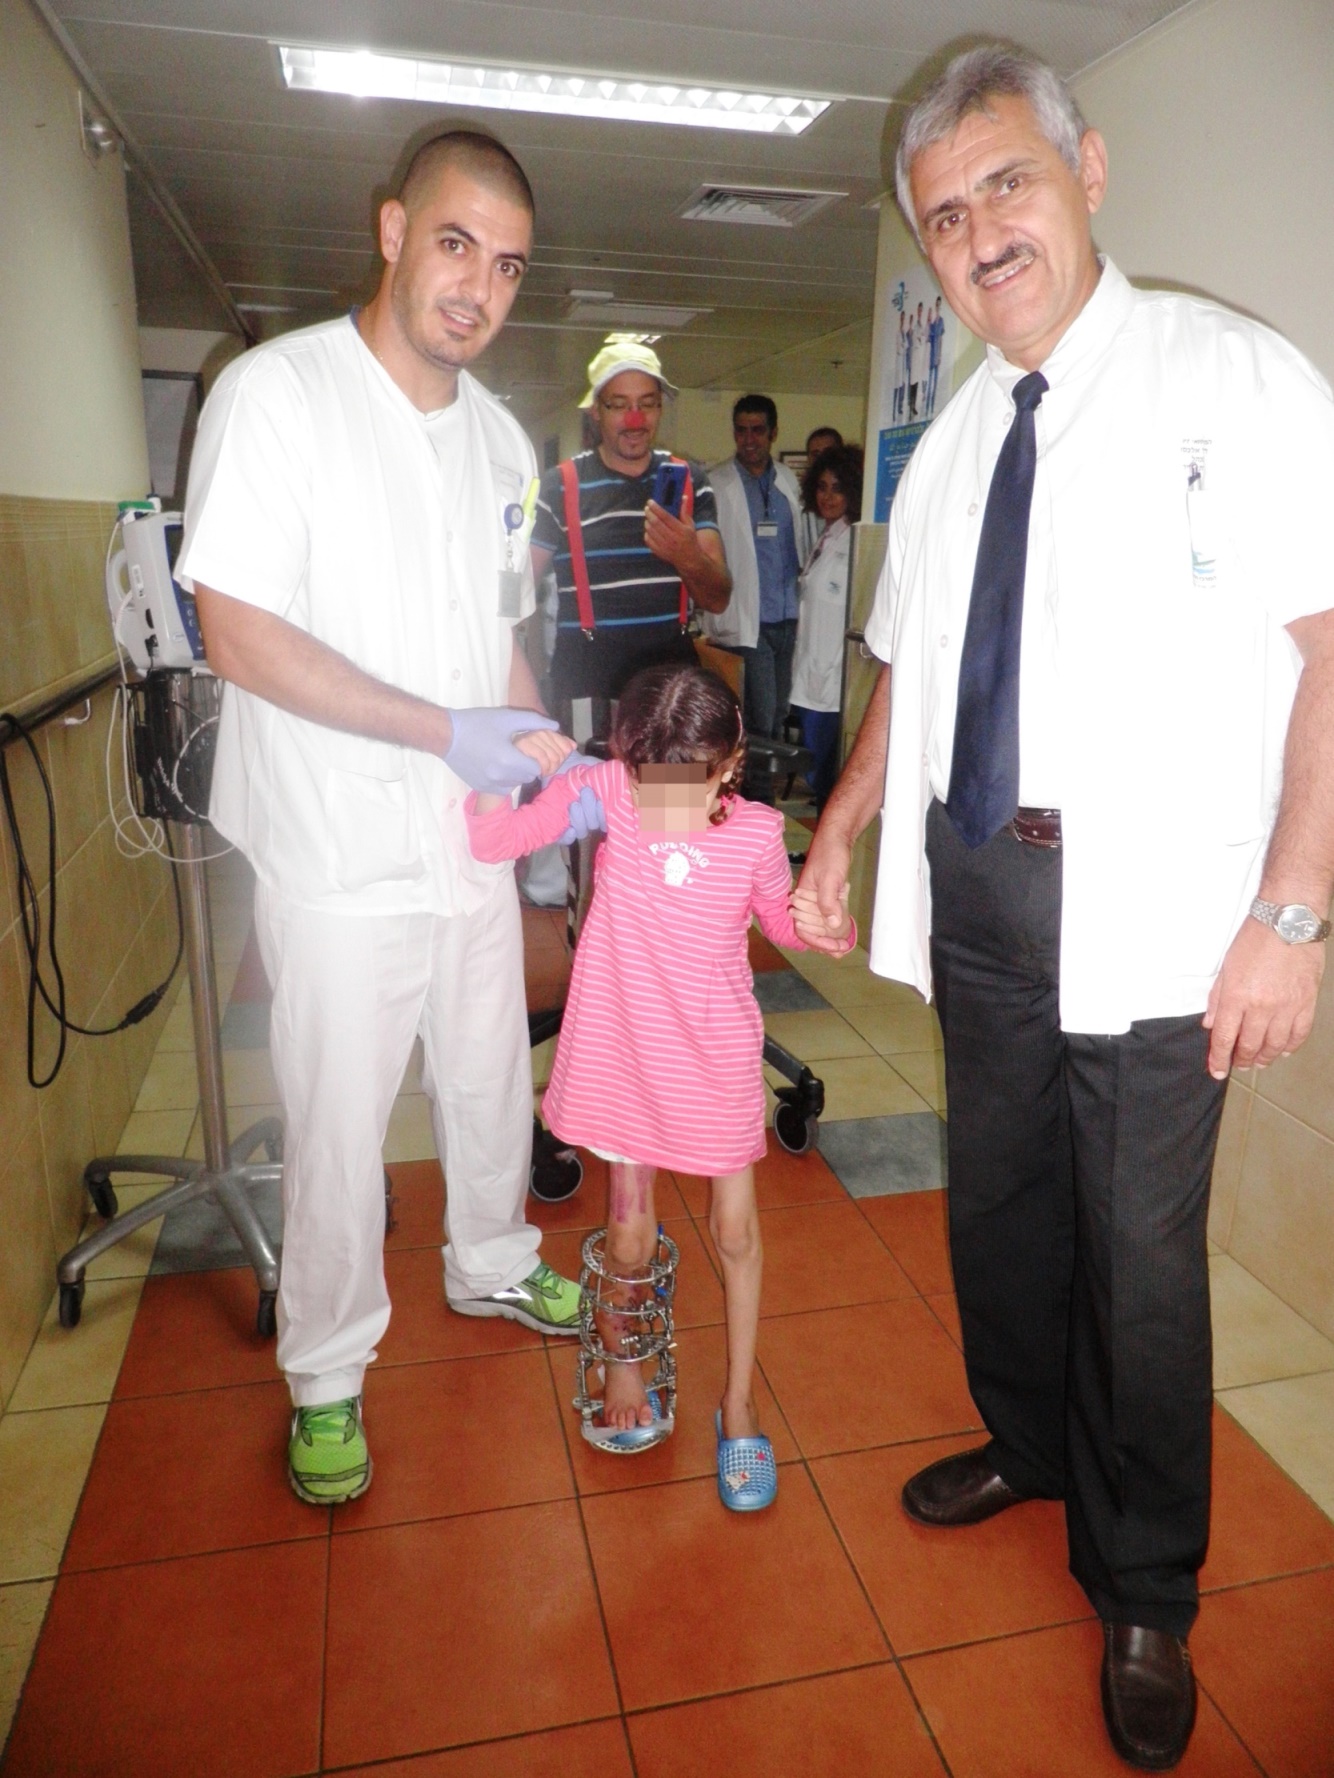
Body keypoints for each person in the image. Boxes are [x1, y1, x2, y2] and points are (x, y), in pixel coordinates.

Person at [798, 43, 1334, 1773]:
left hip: (1165, 917)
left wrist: (1293, 906)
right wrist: (840, 822)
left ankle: (1142, 1585)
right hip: (976, 889)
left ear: (1084, 168)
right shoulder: (953, 440)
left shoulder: (1233, 378)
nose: (974, 235)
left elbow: (1326, 650)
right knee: (999, 1211)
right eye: (940, 216)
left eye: (1000, 185)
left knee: (1139, 1262)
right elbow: (904, 664)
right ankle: (1026, 1441)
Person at [178, 130, 585, 1509]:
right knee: (341, 1123)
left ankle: (489, 1257)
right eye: (459, 243)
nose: (480, 286)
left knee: (487, 1074)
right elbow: (232, 627)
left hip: (465, 841)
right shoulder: (276, 394)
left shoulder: (501, 440)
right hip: (336, 848)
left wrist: (535, 746)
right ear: (395, 227)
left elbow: (502, 632)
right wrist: (441, 732)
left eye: (510, 265)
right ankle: (329, 1373)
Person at [466, 663, 853, 1504]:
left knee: (737, 1234)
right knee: (628, 1237)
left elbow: (786, 922)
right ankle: (629, 1370)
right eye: (651, 781)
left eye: (694, 782)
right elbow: (494, 843)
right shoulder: (607, 790)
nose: (667, 801)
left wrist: (829, 924)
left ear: (731, 761)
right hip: (623, 1055)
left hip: (710, 1062)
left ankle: (739, 1405)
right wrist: (504, 765)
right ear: (628, 758)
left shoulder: (752, 833)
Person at [528, 337, 730, 745]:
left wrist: (687, 556)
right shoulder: (559, 486)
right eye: (619, 405)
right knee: (590, 806)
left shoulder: (690, 481)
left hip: (671, 690)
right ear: (595, 412)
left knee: (671, 808)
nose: (635, 420)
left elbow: (718, 598)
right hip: (586, 682)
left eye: (648, 403)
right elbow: (515, 594)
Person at [703, 396, 805, 748]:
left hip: (789, 618)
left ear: (773, 433)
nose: (749, 439)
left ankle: (757, 795)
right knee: (760, 718)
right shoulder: (716, 484)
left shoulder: (789, 481)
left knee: (779, 712)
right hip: (749, 621)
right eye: (742, 431)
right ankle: (758, 796)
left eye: (758, 431)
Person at [790, 445, 863, 812]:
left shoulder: (856, 541)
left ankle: (829, 850)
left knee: (829, 776)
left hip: (834, 679)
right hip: (812, 674)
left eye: (837, 487)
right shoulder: (826, 537)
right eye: (822, 486)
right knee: (818, 771)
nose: (828, 496)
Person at [799, 426, 844, 560]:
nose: (822, 459)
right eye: (815, 454)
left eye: (828, 452)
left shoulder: (852, 501)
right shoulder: (799, 500)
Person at [925, 296, 946, 416]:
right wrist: (928, 323)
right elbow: (928, 338)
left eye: (939, 305)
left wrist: (939, 355)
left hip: (937, 354)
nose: (938, 307)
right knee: (929, 381)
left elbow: (941, 338)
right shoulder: (932, 324)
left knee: (935, 382)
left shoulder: (941, 321)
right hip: (931, 354)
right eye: (936, 305)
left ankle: (932, 407)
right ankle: (927, 406)